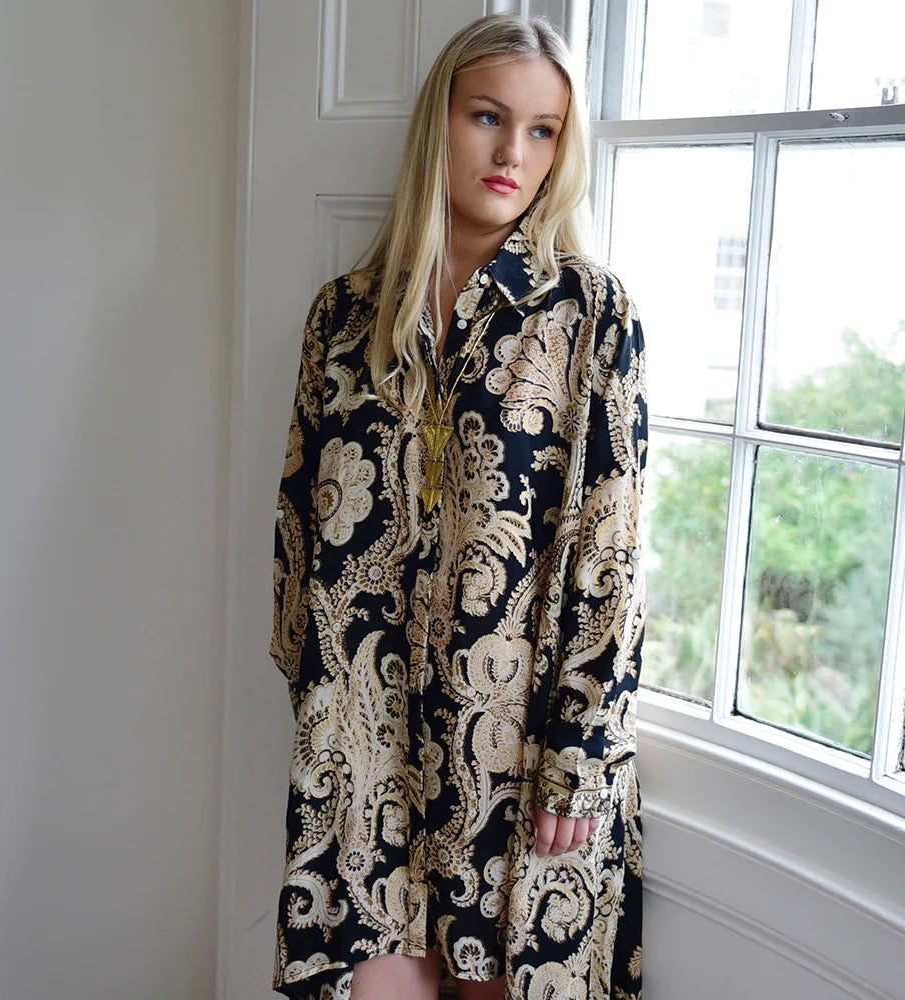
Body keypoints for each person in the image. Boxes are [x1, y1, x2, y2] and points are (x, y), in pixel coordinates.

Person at [269, 13, 646, 1000]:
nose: (512, 152)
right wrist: (319, 705)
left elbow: (609, 544)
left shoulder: (590, 315)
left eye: (542, 130)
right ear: (439, 118)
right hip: (369, 750)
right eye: (488, 117)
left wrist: (581, 747)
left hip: (517, 753)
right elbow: (296, 525)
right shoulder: (343, 316)